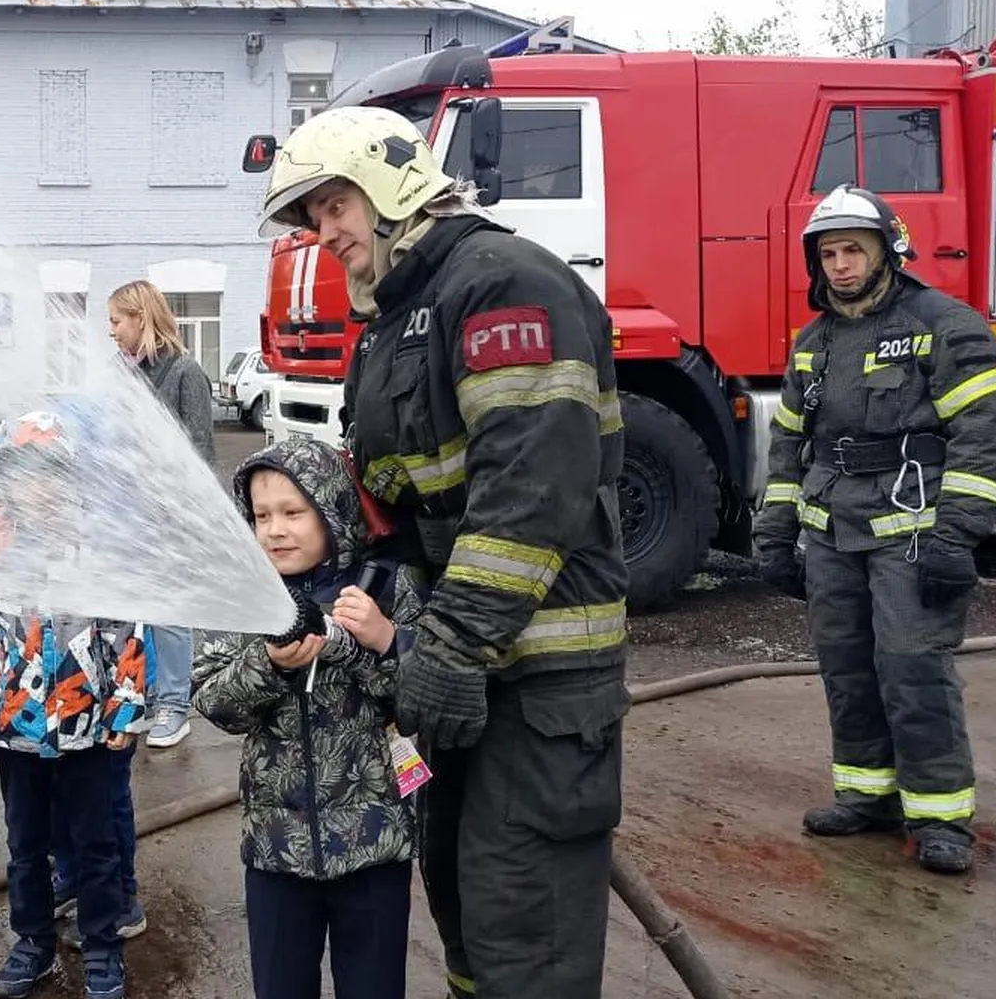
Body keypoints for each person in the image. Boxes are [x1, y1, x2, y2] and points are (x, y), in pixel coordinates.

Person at [259, 104, 630, 999]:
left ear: (393, 183)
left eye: (335, 205)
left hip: (534, 676)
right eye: (311, 218)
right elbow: (398, 498)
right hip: (453, 677)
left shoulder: (500, 283)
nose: (325, 232)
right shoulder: (400, 318)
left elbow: (529, 485)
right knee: (463, 909)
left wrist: (453, 642)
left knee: (522, 933)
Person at [752, 185, 996, 875]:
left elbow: (983, 437)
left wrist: (957, 536)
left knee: (912, 668)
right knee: (847, 668)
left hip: (914, 531)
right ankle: (868, 794)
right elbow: (787, 445)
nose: (840, 266)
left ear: (887, 253)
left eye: (853, 251)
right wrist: (775, 536)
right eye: (829, 253)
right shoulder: (814, 344)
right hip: (834, 532)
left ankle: (939, 814)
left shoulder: (943, 325)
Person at [192, 437, 418, 999]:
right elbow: (215, 702)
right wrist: (268, 663)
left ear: (333, 509)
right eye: (261, 516)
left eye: (294, 512)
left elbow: (421, 699)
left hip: (374, 845)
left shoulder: (385, 587)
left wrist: (380, 639)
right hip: (276, 851)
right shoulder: (242, 598)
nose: (275, 530)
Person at [0, 411, 148, 999]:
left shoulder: (101, 549)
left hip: (88, 730)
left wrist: (126, 707)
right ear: (3, 480)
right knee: (26, 846)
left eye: (53, 474)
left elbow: (128, 633)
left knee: (95, 844)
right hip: (17, 732)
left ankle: (102, 946)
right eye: (26, 475)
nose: (40, 489)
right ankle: (33, 940)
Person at [106, 278, 211, 749]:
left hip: (172, 517)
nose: (111, 332)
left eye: (116, 321)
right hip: (127, 514)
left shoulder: (185, 373)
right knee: (133, 611)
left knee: (169, 613)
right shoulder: (124, 373)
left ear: (140, 318)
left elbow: (200, 453)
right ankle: (143, 698)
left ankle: (174, 705)